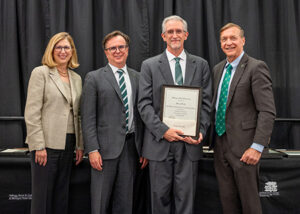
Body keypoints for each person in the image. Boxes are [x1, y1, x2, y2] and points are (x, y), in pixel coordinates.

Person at [138, 15, 212, 214]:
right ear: (163, 36)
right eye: (170, 32)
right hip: (159, 143)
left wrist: (201, 131)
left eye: (179, 31)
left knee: (185, 201)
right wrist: (164, 131)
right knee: (158, 201)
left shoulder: (201, 65)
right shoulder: (149, 65)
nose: (175, 35)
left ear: (186, 35)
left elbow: (206, 103)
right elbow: (143, 104)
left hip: (190, 144)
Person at [210, 23, 276, 214]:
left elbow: (267, 110)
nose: (228, 42)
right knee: (228, 203)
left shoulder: (256, 67)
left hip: (246, 148)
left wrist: (257, 147)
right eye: (224, 39)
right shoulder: (218, 69)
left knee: (250, 205)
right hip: (220, 145)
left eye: (233, 38)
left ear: (243, 40)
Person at [81, 30, 148, 214]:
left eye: (121, 47)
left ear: (127, 49)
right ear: (106, 52)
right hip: (103, 151)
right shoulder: (94, 78)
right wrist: (92, 149)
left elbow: (143, 116)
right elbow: (88, 117)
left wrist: (143, 148)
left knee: (125, 202)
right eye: (112, 48)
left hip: (131, 148)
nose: (117, 51)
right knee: (100, 202)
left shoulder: (138, 77)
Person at [24, 32, 84, 214]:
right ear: (52, 50)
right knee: (43, 198)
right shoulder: (40, 73)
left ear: (72, 50)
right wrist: (38, 146)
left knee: (61, 196)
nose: (63, 51)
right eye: (59, 47)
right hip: (46, 145)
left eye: (67, 47)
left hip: (69, 144)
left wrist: (80, 145)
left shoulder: (77, 78)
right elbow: (32, 112)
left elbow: (78, 114)